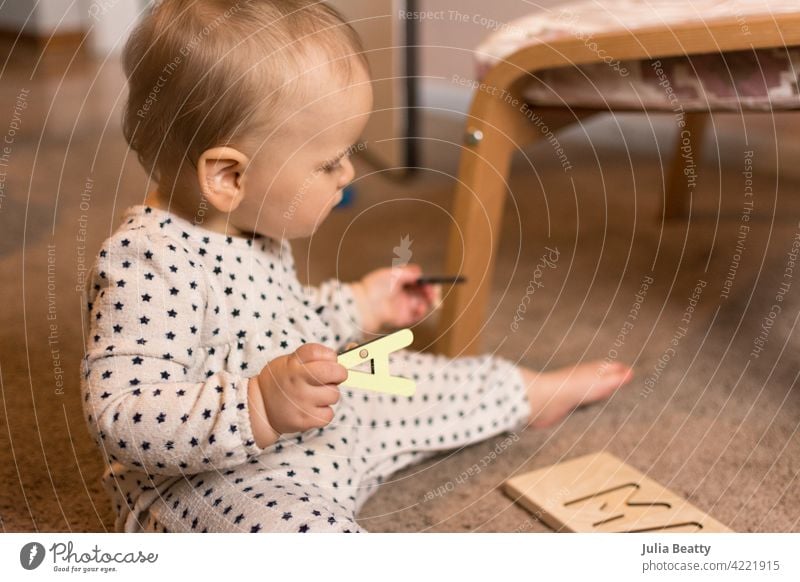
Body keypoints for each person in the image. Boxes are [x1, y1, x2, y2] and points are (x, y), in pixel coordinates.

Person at [81, 0, 633, 533]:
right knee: (295, 533)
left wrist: (364, 303)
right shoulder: (147, 264)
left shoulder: (251, 225)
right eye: (328, 162)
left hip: (316, 419)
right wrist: (257, 406)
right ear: (228, 177)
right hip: (216, 478)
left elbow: (282, 325)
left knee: (410, 379)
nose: (348, 173)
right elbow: (122, 414)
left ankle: (523, 393)